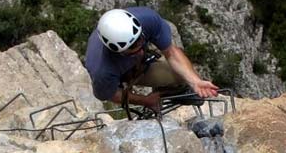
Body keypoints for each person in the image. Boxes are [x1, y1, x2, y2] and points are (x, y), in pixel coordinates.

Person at [84, 7, 219, 111]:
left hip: (140, 64)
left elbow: (171, 52)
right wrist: (145, 100)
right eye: (133, 48)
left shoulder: (148, 19)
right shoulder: (101, 69)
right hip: (121, 74)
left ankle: (168, 92)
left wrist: (195, 82)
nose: (140, 48)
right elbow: (113, 95)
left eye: (140, 40)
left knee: (179, 75)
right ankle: (156, 97)